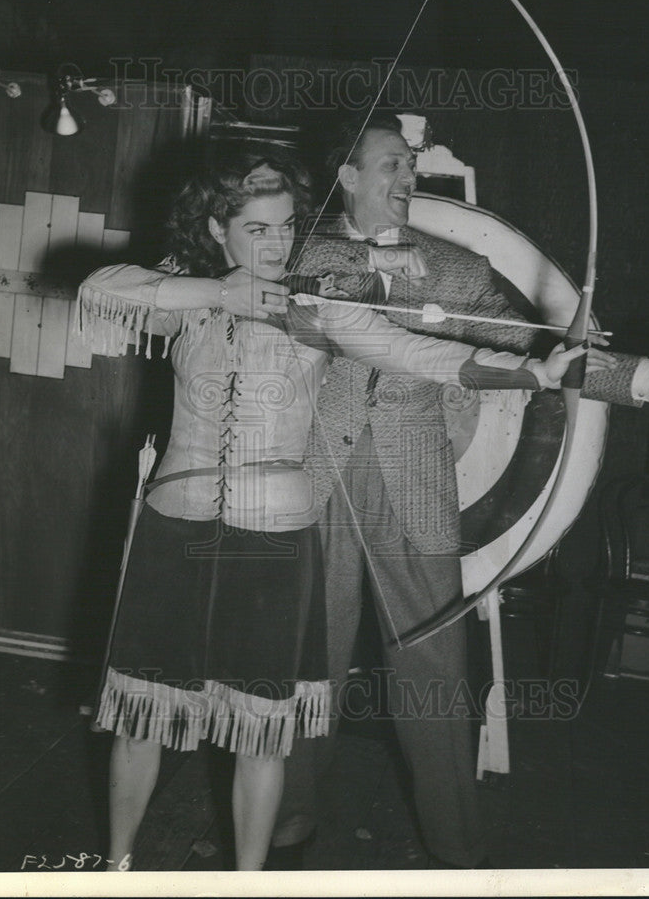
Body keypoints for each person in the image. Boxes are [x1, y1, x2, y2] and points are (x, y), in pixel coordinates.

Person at [76, 146, 598, 871]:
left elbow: (418, 353)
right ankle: (114, 870)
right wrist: (218, 294)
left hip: (273, 537)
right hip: (175, 526)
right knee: (141, 716)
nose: (276, 243)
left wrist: (535, 372)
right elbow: (101, 286)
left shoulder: (313, 310)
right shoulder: (184, 302)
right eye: (256, 229)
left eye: (286, 227)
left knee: (261, 730)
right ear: (216, 229)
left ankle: (247, 882)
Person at [272, 115, 649, 869]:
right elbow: (318, 314)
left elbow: (540, 351)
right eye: (389, 165)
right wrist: (375, 278)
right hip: (317, 475)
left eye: (410, 165)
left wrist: (645, 376)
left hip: (416, 483)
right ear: (345, 174)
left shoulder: (455, 270)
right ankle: (287, 820)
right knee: (307, 655)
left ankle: (457, 848)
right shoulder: (303, 250)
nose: (406, 177)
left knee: (435, 670)